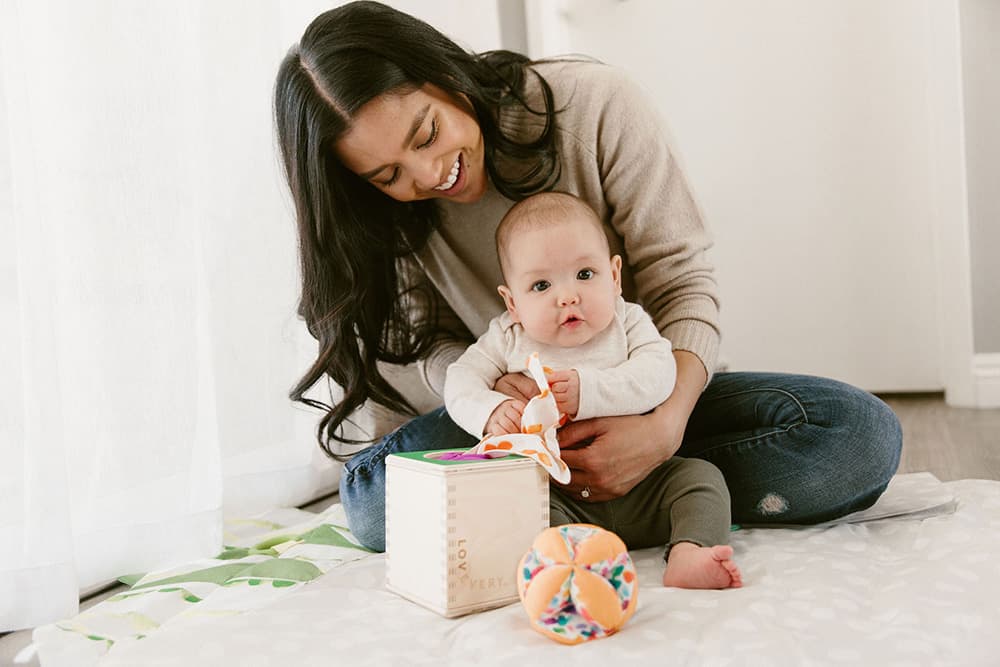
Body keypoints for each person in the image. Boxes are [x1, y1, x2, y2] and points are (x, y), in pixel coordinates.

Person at [273, 1, 902, 556]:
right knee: (372, 505)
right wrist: (499, 405)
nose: (429, 173)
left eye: (428, 133)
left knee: (858, 438)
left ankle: (641, 491)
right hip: (518, 432)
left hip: (653, 390)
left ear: (445, 74)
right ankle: (644, 510)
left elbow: (682, 282)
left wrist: (661, 428)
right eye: (389, 175)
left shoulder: (594, 105)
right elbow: (432, 342)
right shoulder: (388, 214)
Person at [445, 191, 740, 588]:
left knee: (701, 479)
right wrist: (490, 410)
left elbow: (659, 374)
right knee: (521, 509)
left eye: (585, 275)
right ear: (512, 303)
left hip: (645, 486)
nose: (567, 296)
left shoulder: (628, 322)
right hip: (556, 493)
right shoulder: (507, 337)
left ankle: (689, 552)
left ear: (614, 276)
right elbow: (459, 380)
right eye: (541, 285)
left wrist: (591, 390)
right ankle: (571, 567)